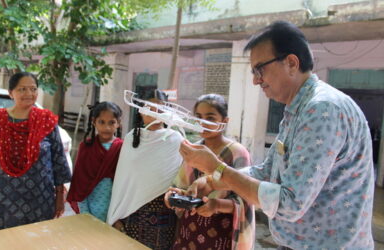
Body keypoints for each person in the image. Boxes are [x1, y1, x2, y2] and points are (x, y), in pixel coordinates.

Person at [179, 21, 375, 249]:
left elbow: (289, 204)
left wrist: (218, 168)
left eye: (259, 69)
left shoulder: (322, 109)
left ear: (291, 63)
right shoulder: (297, 109)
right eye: (253, 72)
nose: (255, 80)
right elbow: (266, 172)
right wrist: (212, 181)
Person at [0, 72, 71, 232]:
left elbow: (59, 160)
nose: (29, 94)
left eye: (33, 89)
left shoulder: (46, 121)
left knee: (34, 241)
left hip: (39, 199)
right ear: (11, 92)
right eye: (22, 89)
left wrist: (59, 196)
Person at [166, 94, 255, 250]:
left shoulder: (237, 153)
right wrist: (174, 195)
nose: (203, 123)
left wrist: (216, 205)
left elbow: (246, 200)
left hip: (222, 231)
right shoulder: (194, 149)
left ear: (225, 121)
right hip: (189, 229)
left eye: (211, 118)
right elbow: (183, 187)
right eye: (199, 117)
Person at [107, 89, 183, 250]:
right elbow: (122, 180)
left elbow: (181, 180)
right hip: (132, 215)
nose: (156, 112)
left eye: (161, 108)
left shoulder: (176, 140)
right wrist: (116, 214)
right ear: (141, 111)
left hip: (164, 216)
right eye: (150, 107)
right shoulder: (130, 138)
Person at [67, 102, 123, 222]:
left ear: (118, 123)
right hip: (89, 206)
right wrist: (84, 212)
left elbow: (125, 183)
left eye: (111, 122)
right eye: (101, 122)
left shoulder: (122, 148)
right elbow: (79, 182)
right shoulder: (86, 147)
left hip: (114, 210)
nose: (106, 127)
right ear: (93, 122)